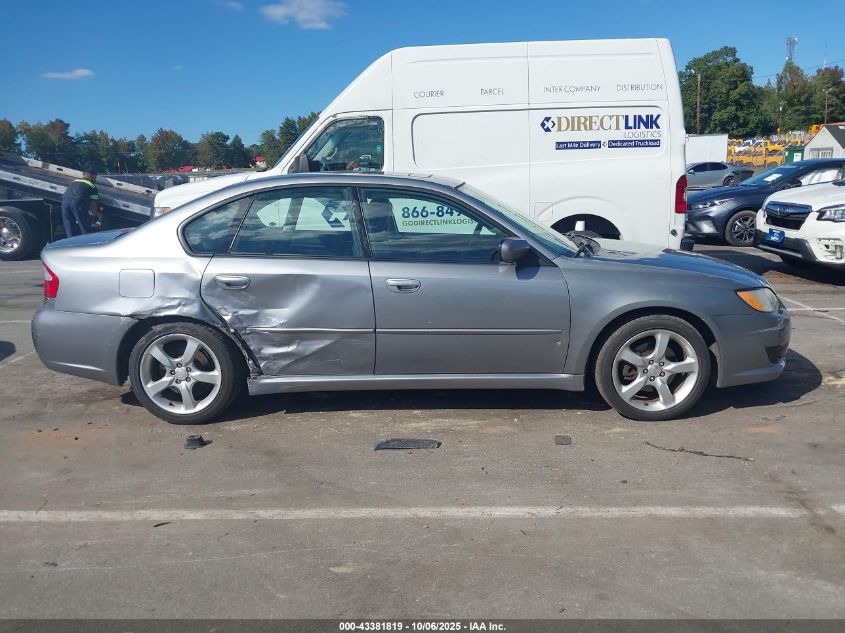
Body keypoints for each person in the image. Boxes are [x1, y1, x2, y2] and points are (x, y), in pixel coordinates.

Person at [61, 169, 99, 237]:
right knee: (84, 226)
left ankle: (71, 244)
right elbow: (93, 204)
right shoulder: (92, 186)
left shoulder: (74, 181)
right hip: (77, 203)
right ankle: (87, 244)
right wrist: (94, 216)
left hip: (64, 202)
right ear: (90, 176)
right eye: (95, 178)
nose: (95, 180)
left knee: (69, 226)